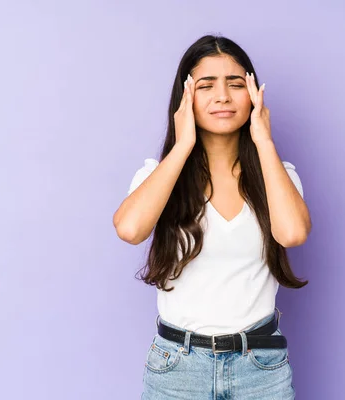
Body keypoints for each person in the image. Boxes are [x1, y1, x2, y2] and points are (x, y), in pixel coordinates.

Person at [112, 34, 311, 399]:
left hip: (261, 367)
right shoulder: (158, 175)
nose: (222, 96)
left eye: (236, 84)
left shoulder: (277, 174)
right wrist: (183, 144)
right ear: (186, 97)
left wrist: (264, 141)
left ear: (253, 95)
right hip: (177, 369)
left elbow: (293, 233)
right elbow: (129, 228)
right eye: (206, 85)